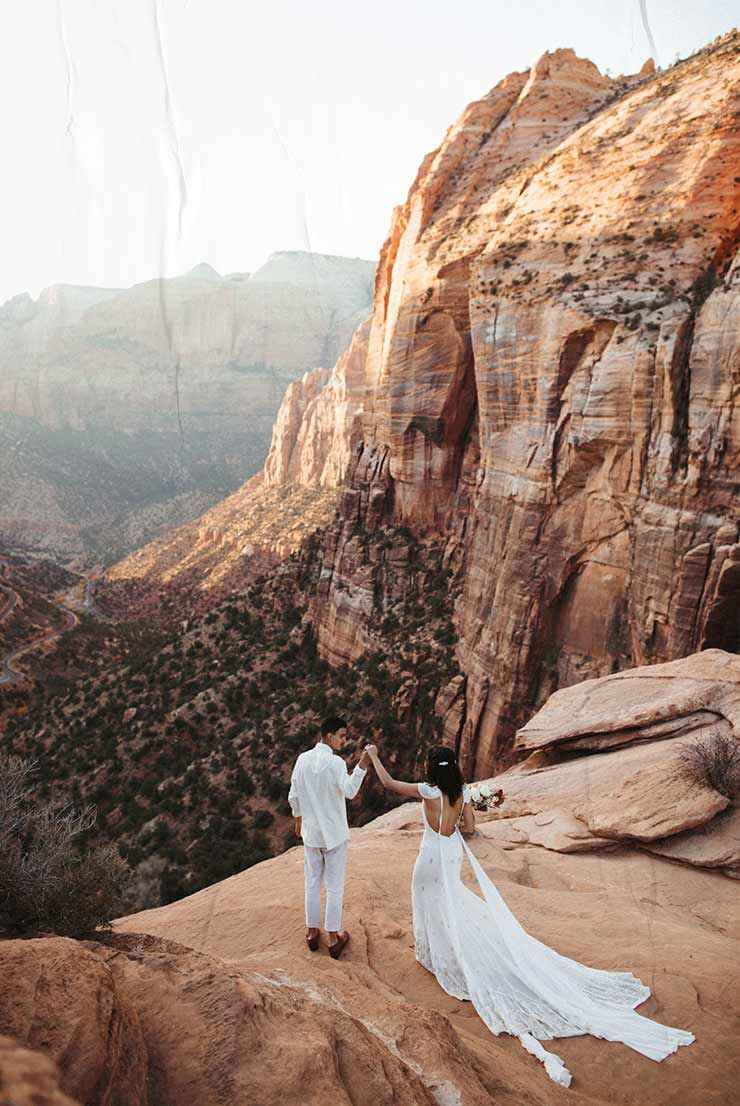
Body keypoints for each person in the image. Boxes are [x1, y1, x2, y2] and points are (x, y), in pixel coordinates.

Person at [364, 742, 694, 1088]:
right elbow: (471, 830)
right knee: (453, 901)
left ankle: (432, 954)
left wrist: (373, 756)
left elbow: (388, 783)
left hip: (429, 856)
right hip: (450, 856)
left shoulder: (426, 790)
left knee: (427, 900)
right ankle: (448, 952)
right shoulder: (461, 792)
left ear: (432, 768)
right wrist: (460, 823)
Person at [288, 715, 370, 958]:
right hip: (333, 834)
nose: (344, 741)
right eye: (342, 736)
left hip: (311, 834)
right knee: (334, 886)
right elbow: (351, 791)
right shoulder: (334, 763)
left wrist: (298, 819)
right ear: (329, 735)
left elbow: (293, 794)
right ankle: (334, 938)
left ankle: (312, 932)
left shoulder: (302, 759)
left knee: (312, 881)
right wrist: (363, 765)